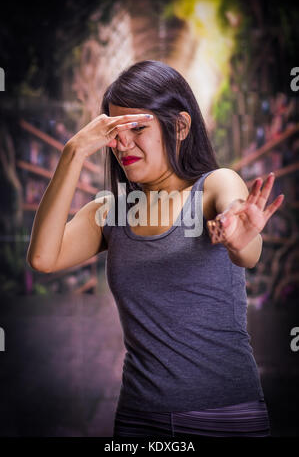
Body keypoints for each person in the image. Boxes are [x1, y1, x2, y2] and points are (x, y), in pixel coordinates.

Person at [27, 60, 284, 438]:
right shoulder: (108, 211)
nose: (123, 144)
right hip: (138, 419)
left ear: (179, 126)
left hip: (225, 414)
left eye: (138, 128)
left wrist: (240, 236)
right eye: (115, 131)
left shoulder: (216, 185)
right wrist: (73, 151)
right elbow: (42, 258)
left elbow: (247, 249)